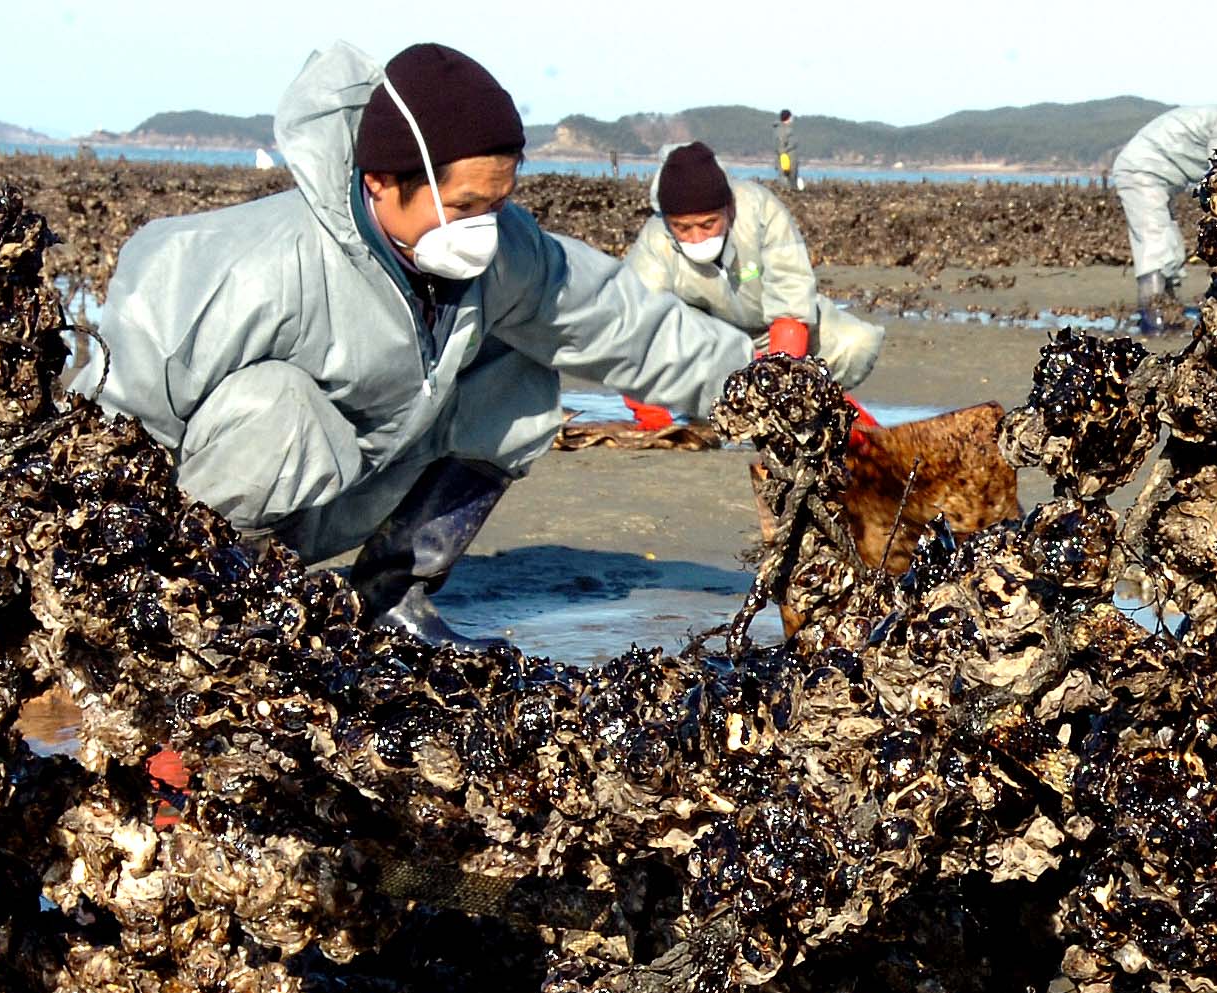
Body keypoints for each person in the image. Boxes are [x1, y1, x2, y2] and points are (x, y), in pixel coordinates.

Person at [89, 42, 752, 649]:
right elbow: (101, 437)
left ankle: (390, 601)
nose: (484, 229)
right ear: (380, 180)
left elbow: (623, 323)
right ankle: (215, 621)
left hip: (364, 486)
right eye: (464, 206)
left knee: (523, 368)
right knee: (274, 406)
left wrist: (772, 392)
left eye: (498, 203)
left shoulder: (503, 254)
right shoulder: (235, 268)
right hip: (212, 528)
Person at [624, 141, 886, 389]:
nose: (696, 238)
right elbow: (638, 327)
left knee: (855, 344)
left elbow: (790, 296)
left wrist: (778, 383)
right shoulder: (654, 239)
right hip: (709, 340)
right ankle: (703, 409)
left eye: (707, 224)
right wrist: (653, 421)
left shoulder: (759, 210)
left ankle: (812, 408)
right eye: (682, 228)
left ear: (728, 209)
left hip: (775, 330)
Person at [1110, 88, 1217, 334]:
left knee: (1168, 241)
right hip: (1142, 171)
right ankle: (1153, 320)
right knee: (1154, 241)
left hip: (1150, 170)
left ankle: (1167, 312)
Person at [776, 109, 800, 191]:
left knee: (786, 177)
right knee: (788, 178)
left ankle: (788, 189)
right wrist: (786, 150)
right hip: (787, 158)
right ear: (788, 117)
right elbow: (781, 145)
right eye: (791, 117)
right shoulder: (785, 130)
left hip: (786, 157)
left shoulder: (781, 129)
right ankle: (789, 190)